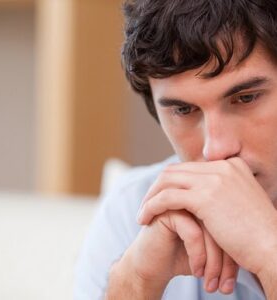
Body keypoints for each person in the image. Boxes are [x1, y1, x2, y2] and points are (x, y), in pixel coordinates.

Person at [74, 0, 277, 299]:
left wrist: (269, 249)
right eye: (183, 109)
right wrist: (138, 280)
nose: (216, 150)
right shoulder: (132, 209)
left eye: (246, 98)